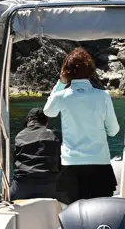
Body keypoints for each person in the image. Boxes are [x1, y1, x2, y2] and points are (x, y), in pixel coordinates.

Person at [43, 48, 120, 204]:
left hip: (71, 164)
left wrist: (60, 83)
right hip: (99, 164)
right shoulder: (103, 96)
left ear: (66, 72)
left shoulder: (61, 97)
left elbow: (48, 112)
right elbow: (113, 131)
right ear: (91, 70)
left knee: (73, 214)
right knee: (100, 214)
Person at [10, 108, 60, 201]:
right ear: (46, 122)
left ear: (29, 120)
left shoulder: (19, 136)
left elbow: (15, 162)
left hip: (22, 186)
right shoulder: (55, 135)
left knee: (4, 202)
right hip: (49, 186)